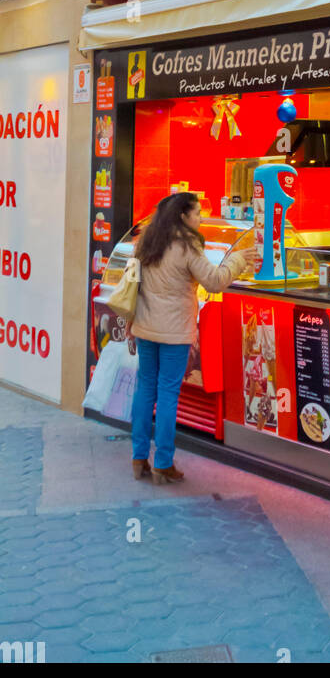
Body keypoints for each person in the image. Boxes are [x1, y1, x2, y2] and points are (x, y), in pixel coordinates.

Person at [127, 192, 257, 483]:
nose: (200, 218)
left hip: (145, 328)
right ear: (183, 216)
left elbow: (133, 283)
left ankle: (138, 458)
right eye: (197, 213)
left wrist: (131, 323)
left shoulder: (147, 240)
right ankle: (162, 463)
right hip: (174, 332)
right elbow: (214, 281)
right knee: (168, 393)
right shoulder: (187, 245)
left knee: (145, 389)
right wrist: (236, 260)